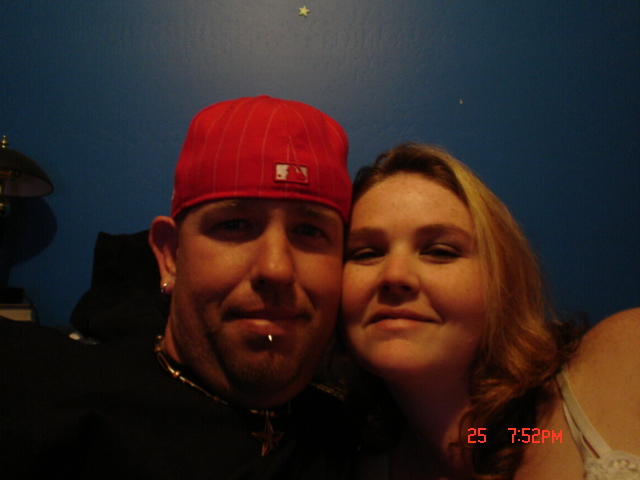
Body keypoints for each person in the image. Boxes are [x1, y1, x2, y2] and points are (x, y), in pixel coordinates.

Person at [0, 95, 356, 479]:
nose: (276, 269)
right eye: (233, 224)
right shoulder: (46, 402)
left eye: (309, 231)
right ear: (170, 255)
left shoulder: (364, 436)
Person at [340, 142, 640, 479]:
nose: (395, 276)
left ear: (501, 278)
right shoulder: (362, 469)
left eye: (440, 251)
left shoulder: (625, 358)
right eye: (366, 253)